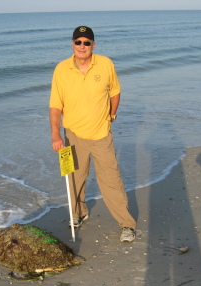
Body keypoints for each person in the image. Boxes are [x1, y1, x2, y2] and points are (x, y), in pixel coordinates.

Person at [49, 26, 136, 242]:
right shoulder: (61, 69)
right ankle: (78, 214)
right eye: (78, 42)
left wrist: (112, 115)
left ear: (93, 45)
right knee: (74, 179)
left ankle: (127, 225)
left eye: (87, 42)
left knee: (111, 181)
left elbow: (115, 92)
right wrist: (55, 135)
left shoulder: (105, 64)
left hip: (101, 136)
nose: (82, 46)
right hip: (72, 136)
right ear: (72, 44)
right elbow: (55, 106)